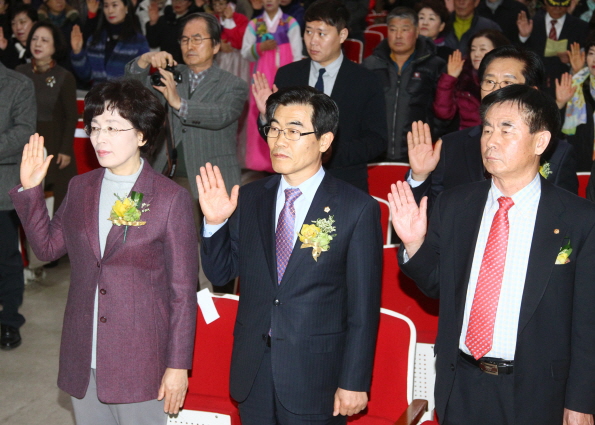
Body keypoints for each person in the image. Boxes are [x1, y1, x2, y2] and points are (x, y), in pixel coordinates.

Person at [389, 84, 595, 425]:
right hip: (462, 382)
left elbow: (588, 321)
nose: (491, 140)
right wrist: (414, 244)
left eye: (506, 129)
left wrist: (581, 401)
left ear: (540, 142)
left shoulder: (578, 219)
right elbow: (437, 286)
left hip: (538, 391)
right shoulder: (456, 205)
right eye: (487, 129)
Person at [9, 79, 198, 424]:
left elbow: (183, 292)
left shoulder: (169, 199)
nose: (100, 137)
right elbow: (48, 248)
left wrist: (177, 365)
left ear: (142, 135)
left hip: (140, 362)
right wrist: (31, 191)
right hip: (84, 356)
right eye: (94, 127)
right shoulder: (82, 187)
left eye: (113, 127)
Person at [199, 85, 382, 425]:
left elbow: (363, 308)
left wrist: (354, 382)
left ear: (324, 141)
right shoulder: (252, 197)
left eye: (294, 131)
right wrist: (214, 224)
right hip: (252, 369)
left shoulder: (356, 209)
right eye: (274, 129)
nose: (279, 140)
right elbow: (222, 273)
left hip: (316, 375)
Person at [407, 45, 579, 214]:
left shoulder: (557, 153)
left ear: (531, 91)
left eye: (507, 82)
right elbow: (430, 218)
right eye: (489, 81)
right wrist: (420, 177)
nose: (496, 90)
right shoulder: (451, 146)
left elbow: (567, 220)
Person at [253, 0, 388, 192]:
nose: (313, 40)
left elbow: (376, 140)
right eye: (308, 32)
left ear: (342, 35)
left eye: (321, 34)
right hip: (293, 182)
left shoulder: (366, 80)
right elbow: (275, 136)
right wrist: (267, 116)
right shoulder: (288, 74)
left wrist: (322, 151)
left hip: (345, 181)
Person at [125, 12, 248, 217]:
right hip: (164, 172)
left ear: (216, 46)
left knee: (208, 244)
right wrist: (145, 60)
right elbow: (133, 91)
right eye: (184, 39)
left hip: (210, 179)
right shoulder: (170, 74)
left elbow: (220, 115)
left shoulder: (234, 85)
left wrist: (179, 103)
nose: (189, 45)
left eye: (197, 39)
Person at [363, 7, 446, 162]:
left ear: (416, 31)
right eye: (393, 30)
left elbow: (442, 111)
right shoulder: (371, 65)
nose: (398, 35)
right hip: (375, 153)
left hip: (418, 153)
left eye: (404, 29)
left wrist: (430, 138)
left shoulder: (434, 66)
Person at [16, 21, 78, 213]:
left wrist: (65, 149)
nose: (38, 44)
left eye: (44, 40)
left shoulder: (64, 76)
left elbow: (71, 116)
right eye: (34, 39)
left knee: (57, 208)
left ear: (54, 46)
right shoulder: (19, 73)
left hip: (54, 143)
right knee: (25, 203)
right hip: (23, 142)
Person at [241, 0, 302, 173]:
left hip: (284, 75)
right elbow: (245, 51)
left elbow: (297, 55)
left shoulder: (290, 23)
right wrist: (259, 47)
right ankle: (259, 162)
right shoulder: (255, 24)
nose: (269, 1)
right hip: (261, 76)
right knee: (261, 112)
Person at [0, 61, 36, 350]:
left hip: (2, 188)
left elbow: (23, 132)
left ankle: (9, 320)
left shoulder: (18, 84)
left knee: (6, 258)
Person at [433, 29, 509, 130]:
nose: (476, 54)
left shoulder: (509, 78)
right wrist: (450, 78)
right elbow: (443, 113)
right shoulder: (464, 78)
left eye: (482, 49)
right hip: (468, 138)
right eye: (473, 49)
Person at [517, 0, 589, 95]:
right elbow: (519, 52)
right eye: (553, 5)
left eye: (561, 5)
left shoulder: (581, 26)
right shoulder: (532, 23)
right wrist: (524, 36)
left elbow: (587, 54)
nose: (557, 9)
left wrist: (571, 60)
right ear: (545, 3)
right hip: (536, 81)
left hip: (565, 82)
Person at [70, 0, 149, 85]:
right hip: (97, 96)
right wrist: (77, 52)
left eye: (114, 5)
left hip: (126, 96)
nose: (110, 11)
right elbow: (86, 76)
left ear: (126, 7)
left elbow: (141, 78)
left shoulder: (138, 42)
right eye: (106, 6)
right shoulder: (95, 39)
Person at [556, 39, 595, 172]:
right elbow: (554, 122)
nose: (594, 59)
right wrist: (559, 103)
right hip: (580, 154)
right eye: (591, 53)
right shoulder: (574, 82)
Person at [0, 4, 38, 69]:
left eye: (23, 22)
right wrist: (2, 50)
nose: (18, 28)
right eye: (13, 23)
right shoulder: (9, 48)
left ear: (35, 24)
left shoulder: (45, 46)